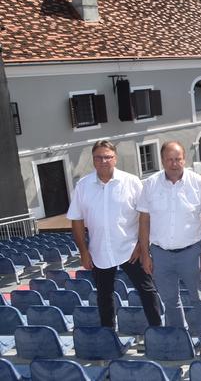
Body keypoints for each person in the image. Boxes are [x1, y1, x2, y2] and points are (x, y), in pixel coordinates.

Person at [67, 140, 162, 329]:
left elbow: (147, 216)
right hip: (99, 250)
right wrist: (84, 252)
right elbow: (76, 220)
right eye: (98, 157)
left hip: (130, 248)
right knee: (104, 295)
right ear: (93, 160)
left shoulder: (132, 182)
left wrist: (141, 246)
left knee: (147, 290)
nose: (103, 161)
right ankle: (108, 335)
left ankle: (157, 331)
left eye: (107, 157)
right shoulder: (83, 186)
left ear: (115, 159)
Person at [137, 141, 201, 356]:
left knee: (199, 297)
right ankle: (182, 337)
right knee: (170, 300)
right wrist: (145, 254)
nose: (174, 163)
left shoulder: (198, 183)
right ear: (162, 161)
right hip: (160, 253)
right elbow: (144, 221)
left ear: (184, 159)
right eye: (169, 159)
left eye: (178, 159)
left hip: (191, 251)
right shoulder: (150, 184)